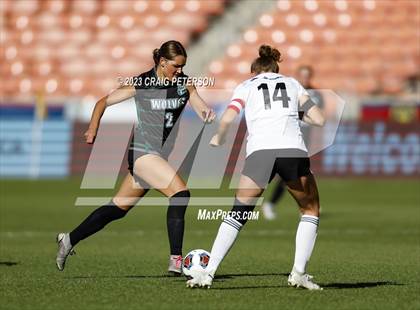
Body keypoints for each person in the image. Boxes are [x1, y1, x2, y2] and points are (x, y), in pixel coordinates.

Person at [56, 40, 216, 275]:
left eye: (183, 66)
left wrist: (206, 113)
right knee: (180, 194)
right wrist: (92, 127)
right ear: (162, 63)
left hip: (157, 156)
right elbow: (103, 102)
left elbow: (199, 104)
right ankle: (176, 260)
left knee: (117, 209)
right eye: (176, 66)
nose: (180, 71)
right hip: (142, 152)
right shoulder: (142, 83)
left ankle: (68, 240)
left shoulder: (185, 83)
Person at [187, 45, 325, 290]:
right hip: (292, 150)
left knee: (237, 213)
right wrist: (295, 114)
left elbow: (229, 115)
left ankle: (207, 274)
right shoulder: (292, 83)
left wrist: (219, 136)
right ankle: (298, 274)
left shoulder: (246, 86)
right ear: (276, 68)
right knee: (310, 209)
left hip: (260, 153)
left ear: (254, 72)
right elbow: (319, 119)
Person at [261, 65, 325, 220]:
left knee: (296, 175)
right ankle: (274, 203)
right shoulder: (289, 89)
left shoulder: (316, 94)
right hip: (286, 137)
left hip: (304, 138)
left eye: (307, 75)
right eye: (302, 75)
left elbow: (319, 115)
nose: (305, 78)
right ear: (297, 76)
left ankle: (305, 204)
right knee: (287, 175)